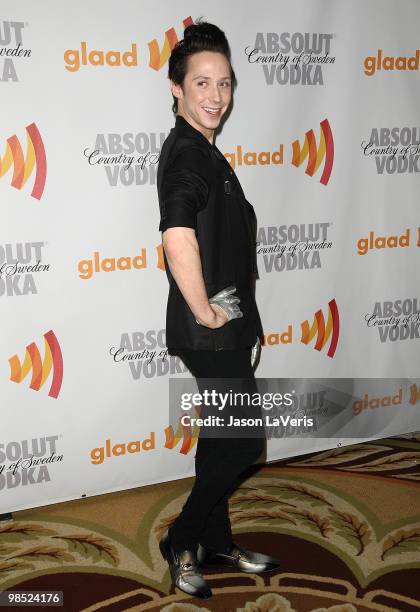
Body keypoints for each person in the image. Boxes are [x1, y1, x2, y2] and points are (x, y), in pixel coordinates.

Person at [157, 20, 280, 599]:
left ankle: (216, 538)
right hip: (209, 332)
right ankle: (182, 538)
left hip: (227, 329)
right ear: (176, 88)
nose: (215, 96)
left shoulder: (205, 152)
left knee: (222, 436)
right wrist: (206, 313)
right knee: (242, 439)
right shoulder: (186, 153)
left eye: (225, 84)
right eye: (201, 83)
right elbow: (178, 237)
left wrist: (242, 319)